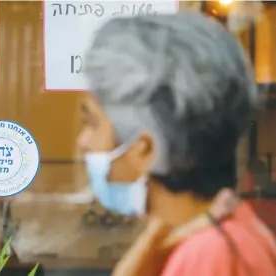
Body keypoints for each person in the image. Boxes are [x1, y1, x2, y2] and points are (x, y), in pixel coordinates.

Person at [78, 12, 276, 275]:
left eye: (92, 123)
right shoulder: (220, 237)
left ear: (145, 148)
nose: (84, 142)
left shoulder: (210, 256)